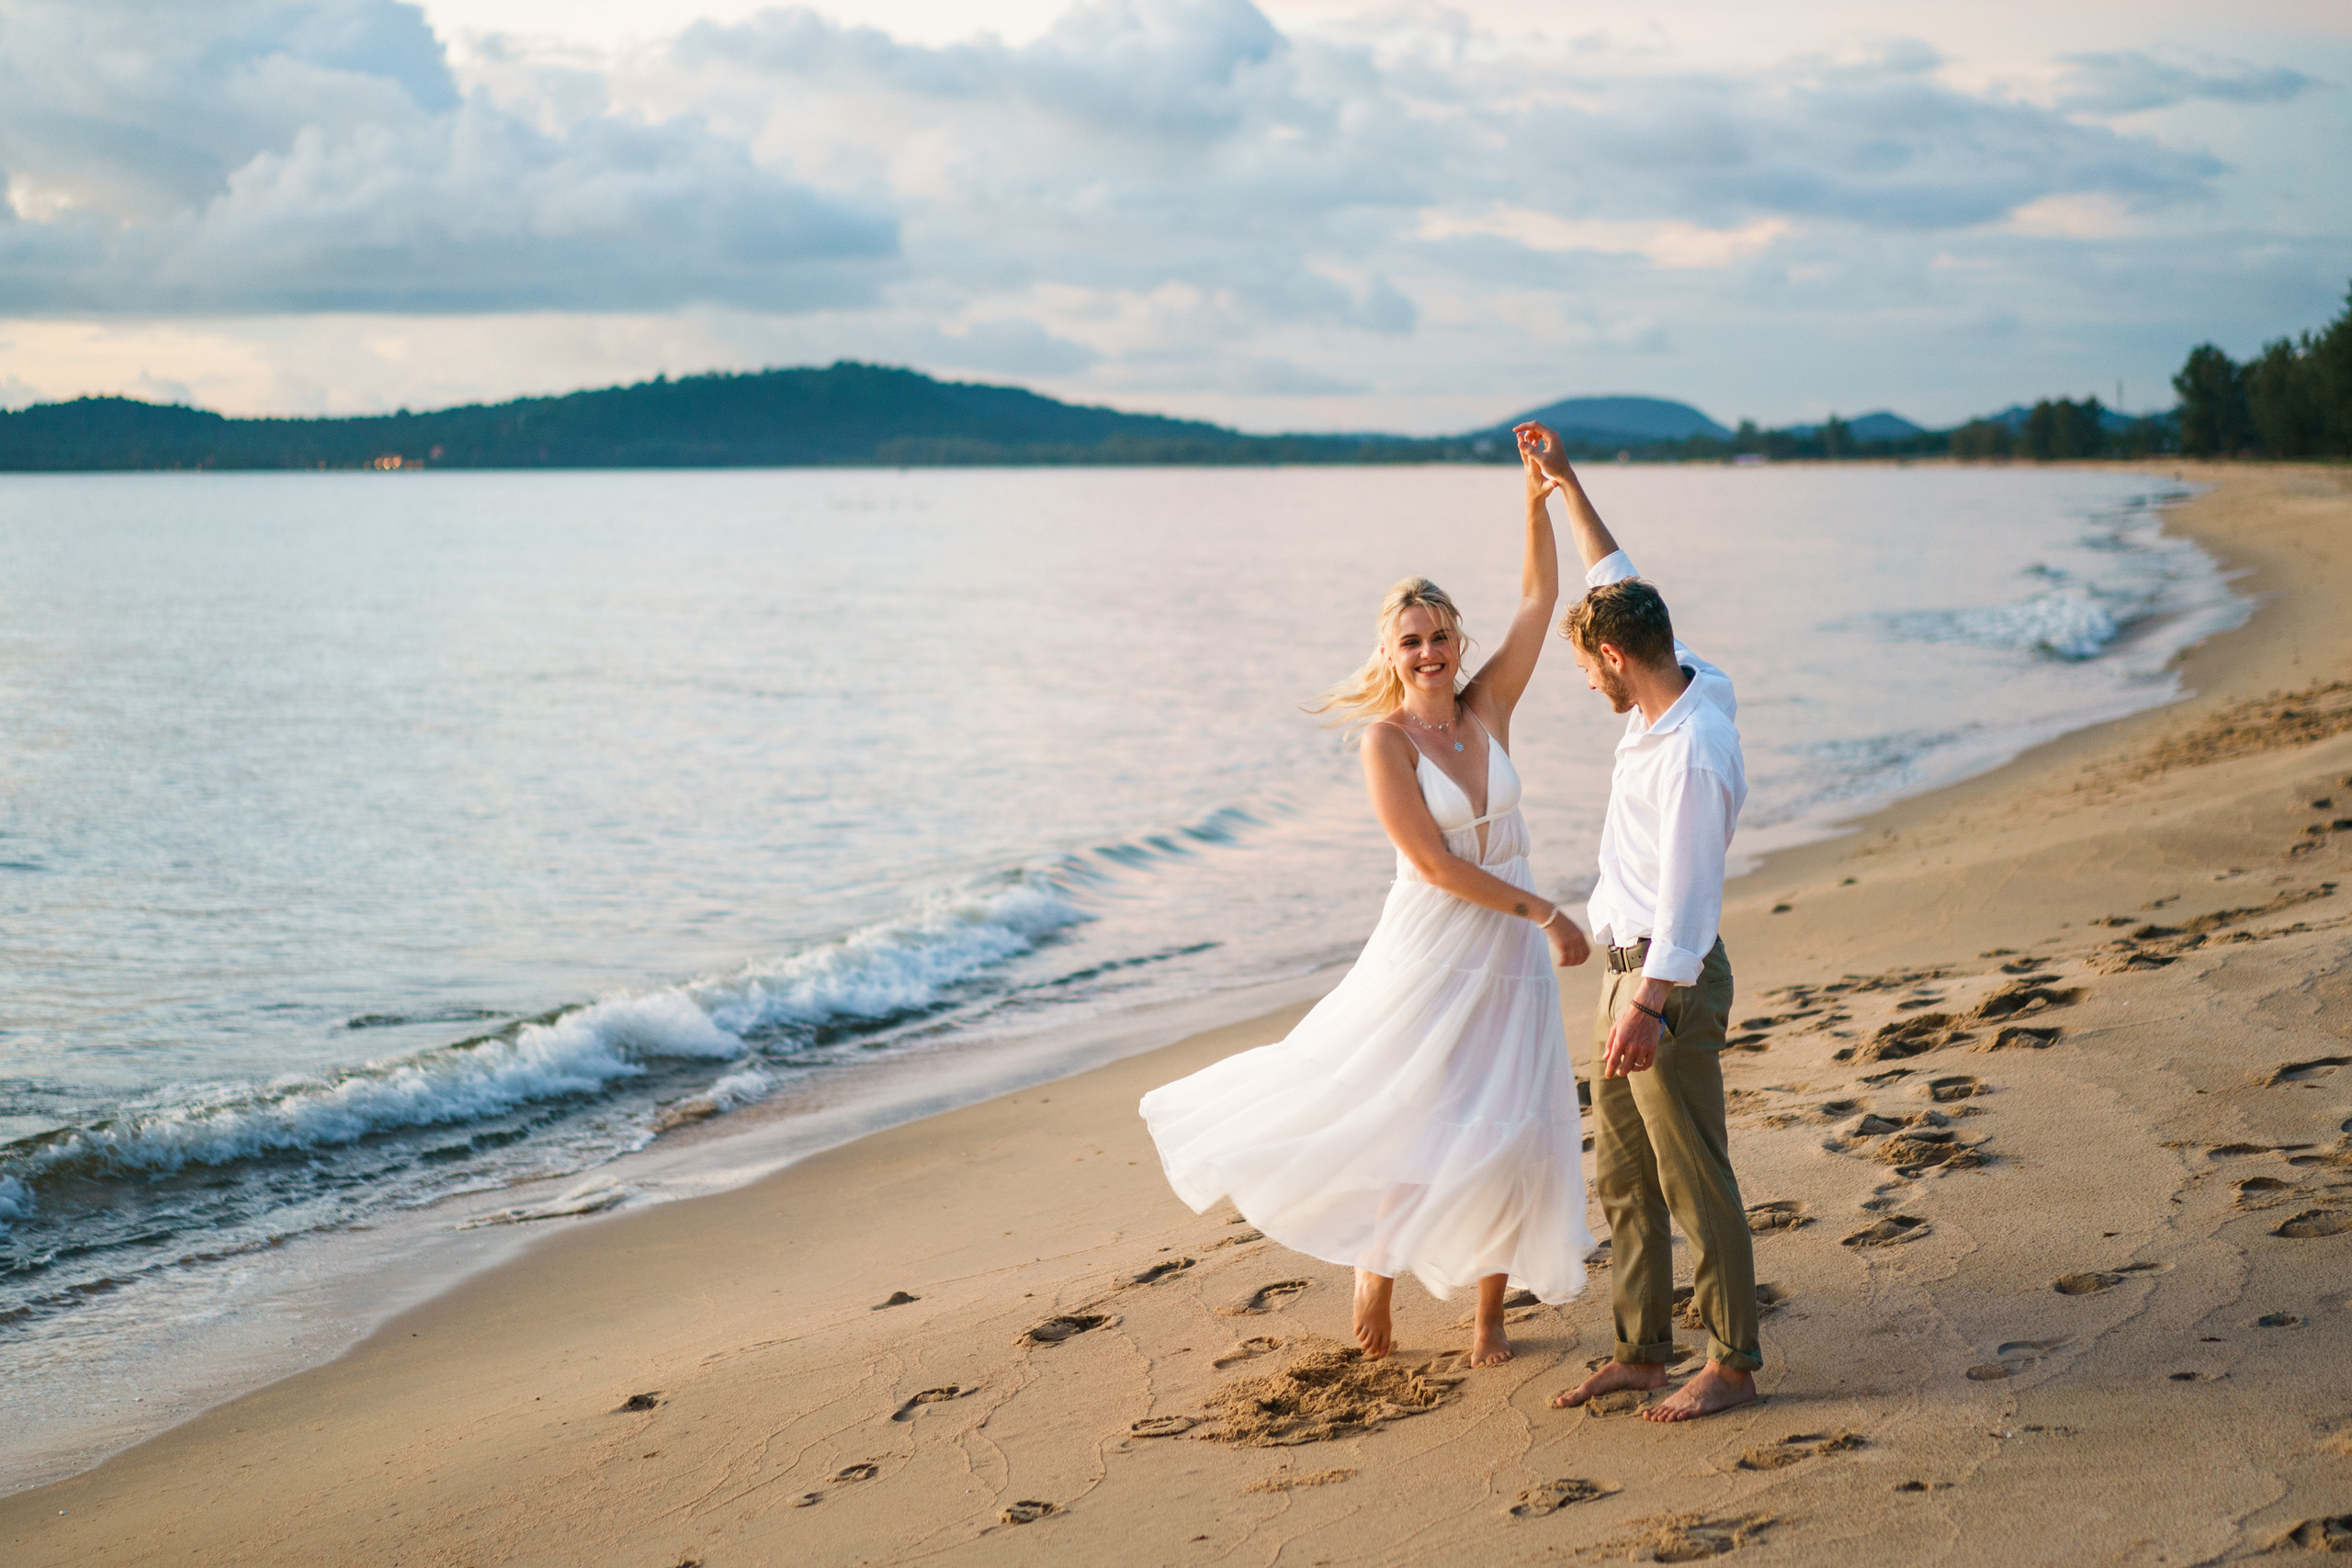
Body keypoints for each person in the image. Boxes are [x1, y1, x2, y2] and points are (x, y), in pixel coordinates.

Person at [1139, 445, 1593, 1368]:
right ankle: (1372, 1288)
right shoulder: (1384, 744)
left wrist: (1536, 498)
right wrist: (1545, 913)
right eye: (1411, 641)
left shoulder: (1488, 709)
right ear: (1390, 656)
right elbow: (1429, 865)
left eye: (1440, 636)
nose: (1429, 653)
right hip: (1436, 947)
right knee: (1416, 1118)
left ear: (1458, 642)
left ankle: (1487, 1320)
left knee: (1513, 1123)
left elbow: (1540, 602)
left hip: (1506, 957)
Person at [1514, 420, 1760, 1423]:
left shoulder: (1693, 747)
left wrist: (1649, 1005)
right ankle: (1640, 1350)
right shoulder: (1673, 672)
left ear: (1617, 658)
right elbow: (1612, 574)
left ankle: (1733, 1363)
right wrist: (1565, 485)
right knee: (1623, 1173)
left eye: (1587, 667)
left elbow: (1692, 903)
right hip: (1622, 972)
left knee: (1693, 1177)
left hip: (1666, 982)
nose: (1584, 682)